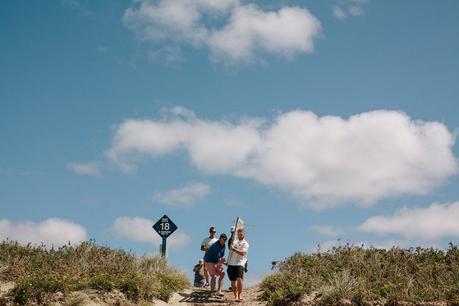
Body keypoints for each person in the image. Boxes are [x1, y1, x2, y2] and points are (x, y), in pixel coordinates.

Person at [227, 228, 249, 302]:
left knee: (239, 279)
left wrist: (234, 249)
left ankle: (239, 295)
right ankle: (235, 296)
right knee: (233, 281)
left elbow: (242, 253)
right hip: (232, 263)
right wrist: (231, 247)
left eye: (241, 234)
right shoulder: (234, 242)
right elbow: (230, 248)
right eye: (239, 234)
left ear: (243, 234)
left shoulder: (245, 243)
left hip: (240, 263)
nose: (240, 235)